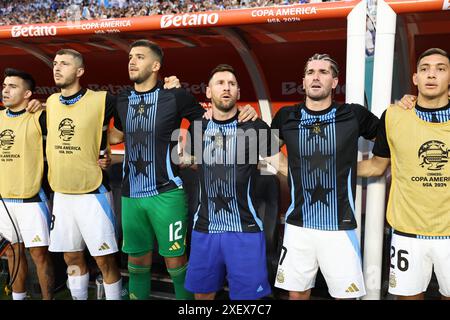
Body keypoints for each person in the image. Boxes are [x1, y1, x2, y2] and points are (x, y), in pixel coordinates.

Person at [109, 40, 257, 300]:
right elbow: (116, 134)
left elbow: (208, 120)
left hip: (167, 194)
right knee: (137, 260)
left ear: (156, 66)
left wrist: (243, 112)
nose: (132, 61)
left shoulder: (176, 96)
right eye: (130, 56)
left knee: (175, 261)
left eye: (140, 57)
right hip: (131, 196)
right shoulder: (121, 98)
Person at [272, 53, 380, 300]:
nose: (316, 77)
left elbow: (389, 141)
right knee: (297, 295)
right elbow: (267, 150)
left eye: (323, 72)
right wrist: (295, 170)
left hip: (339, 227)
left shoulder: (353, 115)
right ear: (303, 82)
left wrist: (352, 170)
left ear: (334, 81)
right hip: (298, 225)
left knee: (346, 297)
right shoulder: (286, 116)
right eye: (310, 72)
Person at [183, 64, 287, 300]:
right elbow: (186, 161)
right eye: (219, 83)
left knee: (248, 300)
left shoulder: (255, 126)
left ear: (238, 93)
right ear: (208, 92)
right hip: (205, 227)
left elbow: (281, 164)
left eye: (231, 84)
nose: (226, 88)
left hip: (244, 229)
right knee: (203, 297)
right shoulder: (198, 128)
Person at [357, 48, 450, 300]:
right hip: (408, 233)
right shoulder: (394, 116)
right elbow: (377, 166)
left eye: (440, 69)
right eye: (424, 69)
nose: (432, 74)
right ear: (415, 78)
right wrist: (333, 169)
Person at [45, 49, 122, 300]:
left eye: (64, 64)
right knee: (71, 257)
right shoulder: (51, 103)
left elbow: (121, 131)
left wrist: (108, 150)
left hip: (93, 193)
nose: (57, 68)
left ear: (79, 71)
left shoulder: (103, 99)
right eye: (55, 63)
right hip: (62, 194)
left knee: (104, 259)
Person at [0, 68, 54, 300]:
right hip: (3, 200)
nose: (6, 90)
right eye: (4, 85)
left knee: (39, 256)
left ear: (27, 94)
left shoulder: (40, 116)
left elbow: (67, 115)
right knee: (12, 254)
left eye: (13, 86)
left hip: (32, 199)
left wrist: (42, 106)